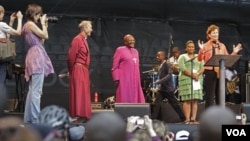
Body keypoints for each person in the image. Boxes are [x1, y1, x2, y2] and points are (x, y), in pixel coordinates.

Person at [22, 3, 54, 123]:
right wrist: (43, 24)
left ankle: (28, 119)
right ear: (34, 14)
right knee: (36, 91)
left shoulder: (26, 26)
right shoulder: (30, 24)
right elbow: (45, 35)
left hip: (32, 55)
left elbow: (42, 40)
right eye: (38, 14)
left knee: (32, 90)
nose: (39, 17)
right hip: (36, 57)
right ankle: (35, 120)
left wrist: (43, 24)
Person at [197, 24, 242, 109]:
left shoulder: (222, 45)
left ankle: (220, 115)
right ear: (209, 35)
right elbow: (199, 59)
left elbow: (227, 59)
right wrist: (201, 50)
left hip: (220, 72)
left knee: (220, 96)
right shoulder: (206, 46)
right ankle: (209, 117)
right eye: (213, 33)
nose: (216, 34)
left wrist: (234, 53)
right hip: (210, 72)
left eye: (217, 32)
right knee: (210, 96)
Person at [67, 20, 93, 122]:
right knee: (78, 91)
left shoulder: (84, 40)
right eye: (90, 27)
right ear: (85, 28)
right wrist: (71, 69)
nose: (91, 29)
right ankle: (77, 115)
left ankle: (83, 115)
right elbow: (71, 56)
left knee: (84, 91)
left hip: (84, 69)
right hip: (78, 68)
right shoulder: (77, 39)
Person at [0, 5, 23, 115]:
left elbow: (6, 38)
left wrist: (10, 22)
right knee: (1, 84)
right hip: (1, 60)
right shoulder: (1, 24)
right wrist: (20, 19)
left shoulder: (3, 26)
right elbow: (18, 32)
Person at [151, 51, 185, 122]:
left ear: (163, 56)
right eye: (157, 56)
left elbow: (169, 75)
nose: (157, 57)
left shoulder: (167, 64)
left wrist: (160, 81)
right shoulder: (161, 64)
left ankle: (183, 118)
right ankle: (153, 119)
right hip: (162, 89)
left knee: (174, 105)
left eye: (158, 56)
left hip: (168, 89)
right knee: (157, 104)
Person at [111, 34, 145, 103]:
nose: (132, 42)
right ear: (125, 42)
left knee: (136, 96)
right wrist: (116, 78)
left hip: (135, 79)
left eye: (133, 40)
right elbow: (115, 66)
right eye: (130, 40)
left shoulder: (136, 51)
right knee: (124, 96)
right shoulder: (120, 50)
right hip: (124, 79)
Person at [178, 40, 204, 124]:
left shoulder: (198, 56)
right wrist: (193, 75)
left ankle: (193, 119)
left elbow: (203, 67)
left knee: (195, 100)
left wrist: (197, 74)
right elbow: (182, 68)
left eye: (192, 47)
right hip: (186, 79)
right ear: (186, 48)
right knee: (187, 99)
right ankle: (187, 119)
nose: (191, 48)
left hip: (197, 80)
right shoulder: (182, 56)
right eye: (189, 47)